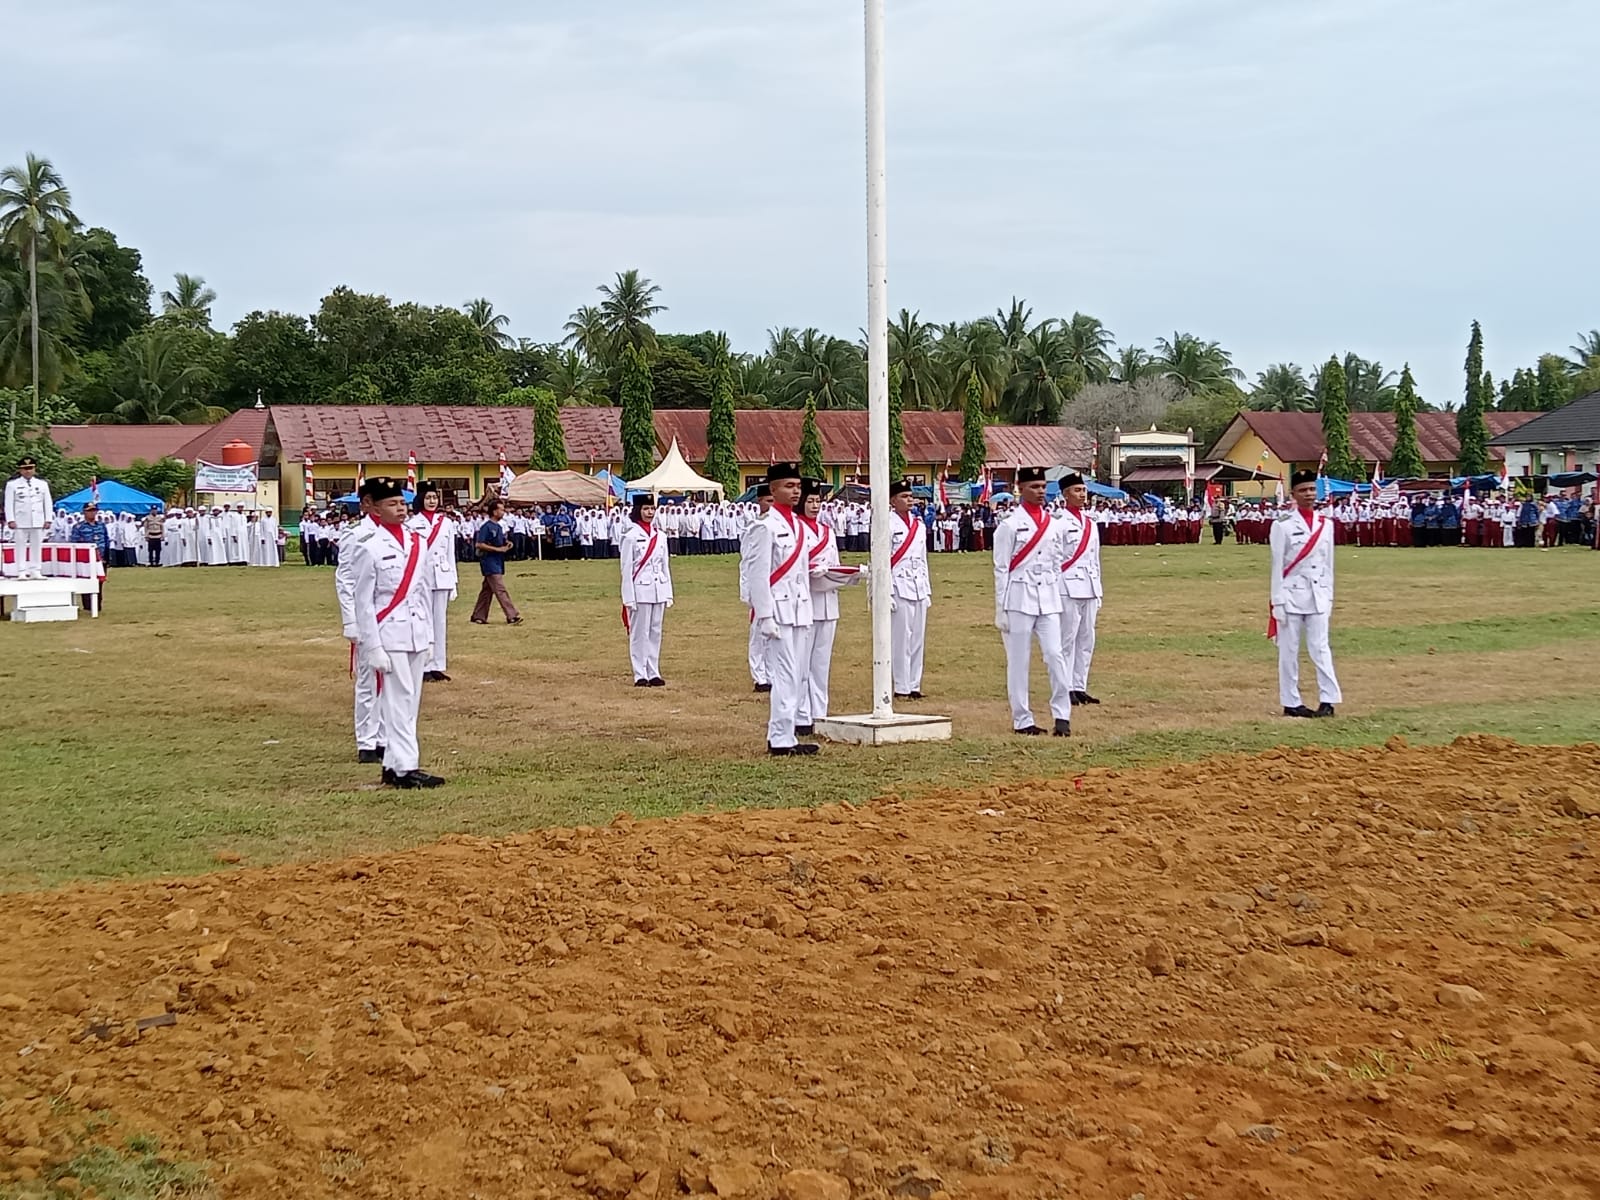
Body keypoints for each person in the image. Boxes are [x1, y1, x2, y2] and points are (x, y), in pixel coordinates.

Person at [346, 476, 443, 789]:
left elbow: (422, 592)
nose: (400, 509)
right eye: (392, 504)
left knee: (410, 700)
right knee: (399, 700)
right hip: (389, 632)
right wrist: (371, 645)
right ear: (375, 508)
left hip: (415, 629)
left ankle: (393, 764)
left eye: (402, 503)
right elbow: (363, 601)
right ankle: (404, 766)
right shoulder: (369, 548)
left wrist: (428, 636)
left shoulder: (418, 542)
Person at [993, 467, 1072, 737]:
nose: (1041, 491)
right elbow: (1001, 568)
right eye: (1035, 486)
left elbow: (1058, 561)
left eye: (1043, 486)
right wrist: (1000, 608)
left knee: (1055, 655)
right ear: (1021, 488)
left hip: (1048, 597)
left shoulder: (1055, 523)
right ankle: (1022, 719)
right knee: (1018, 660)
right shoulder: (1010, 524)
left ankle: (1062, 715)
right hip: (1019, 598)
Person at [744, 463, 817, 756]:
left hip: (800, 609)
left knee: (799, 674)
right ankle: (780, 738)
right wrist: (764, 615)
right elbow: (758, 574)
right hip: (779, 611)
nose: (796, 491)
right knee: (785, 675)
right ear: (773, 490)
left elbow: (802, 572)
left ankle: (787, 733)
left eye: (798, 486)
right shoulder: (765, 527)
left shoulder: (798, 526)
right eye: (789, 486)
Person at [1270, 469, 1341, 718]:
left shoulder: (1326, 525)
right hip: (1291, 596)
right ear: (1293, 494)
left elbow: (1328, 565)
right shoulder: (1283, 526)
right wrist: (1276, 601)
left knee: (1320, 648)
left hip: (1318, 595)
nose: (1309, 494)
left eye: (1312, 489)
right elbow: (1277, 567)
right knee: (1288, 651)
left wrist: (1329, 596)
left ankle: (1328, 699)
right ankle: (1291, 702)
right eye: (1303, 490)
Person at [796, 478, 859, 734]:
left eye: (817, 501)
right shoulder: (796, 528)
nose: (814, 506)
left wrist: (849, 574)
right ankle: (801, 715)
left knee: (821, 663)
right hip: (805, 601)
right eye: (809, 501)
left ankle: (819, 713)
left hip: (828, 601)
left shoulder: (827, 531)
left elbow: (834, 563)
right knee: (802, 662)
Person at [335, 486, 389, 764]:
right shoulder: (356, 535)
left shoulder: (397, 534)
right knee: (369, 681)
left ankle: (383, 737)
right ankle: (367, 741)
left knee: (391, 682)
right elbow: (345, 580)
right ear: (367, 504)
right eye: (385, 502)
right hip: (367, 617)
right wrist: (351, 621)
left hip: (393, 617)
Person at [1056, 473, 1104, 707]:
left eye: (1083, 490)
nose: (1082, 494)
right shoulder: (1059, 523)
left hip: (1089, 585)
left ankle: (1079, 685)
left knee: (1087, 639)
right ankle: (1064, 688)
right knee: (1067, 639)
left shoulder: (1091, 523)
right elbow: (1054, 560)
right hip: (1067, 586)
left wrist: (1099, 590)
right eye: (1076, 490)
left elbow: (1095, 559)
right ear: (1065, 495)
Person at [406, 481, 460, 682]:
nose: (432, 501)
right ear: (420, 499)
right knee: (424, 622)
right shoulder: (412, 524)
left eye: (434, 497)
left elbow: (450, 554)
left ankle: (438, 664)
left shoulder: (446, 523)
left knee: (440, 622)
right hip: (422, 578)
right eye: (428, 497)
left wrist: (453, 581)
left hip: (442, 576)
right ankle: (424, 665)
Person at [620, 493, 673, 687]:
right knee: (639, 633)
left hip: (658, 589)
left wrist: (668, 592)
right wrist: (628, 598)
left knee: (655, 632)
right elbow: (626, 569)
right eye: (645, 509)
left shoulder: (661, 536)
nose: (650, 512)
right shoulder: (631, 536)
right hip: (639, 590)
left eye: (652, 509)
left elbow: (665, 566)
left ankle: (653, 671)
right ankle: (639, 673)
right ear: (637, 511)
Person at [887, 478, 932, 699]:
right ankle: (901, 685)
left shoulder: (919, 525)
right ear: (893, 500)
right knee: (901, 637)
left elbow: (923, 560)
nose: (910, 500)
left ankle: (914, 684)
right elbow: (882, 560)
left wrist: (928, 590)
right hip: (899, 585)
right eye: (904, 496)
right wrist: (886, 592)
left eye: (910, 496)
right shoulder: (887, 524)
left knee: (917, 638)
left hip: (918, 586)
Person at [739, 484, 775, 693]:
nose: (771, 506)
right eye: (768, 501)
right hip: (759, 585)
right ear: (759, 501)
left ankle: (771, 673)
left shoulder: (780, 525)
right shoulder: (754, 527)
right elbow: (747, 560)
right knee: (758, 632)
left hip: (777, 585)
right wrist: (747, 590)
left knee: (775, 633)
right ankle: (759, 676)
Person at [470, 499, 522, 625]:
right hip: (489, 562)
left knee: (487, 591)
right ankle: (512, 615)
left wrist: (507, 544)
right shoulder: (486, 527)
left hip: (498, 561)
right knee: (500, 589)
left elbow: (500, 542)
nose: (503, 512)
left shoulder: (498, 527)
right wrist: (498, 549)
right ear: (494, 511)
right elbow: (479, 544)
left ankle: (479, 615)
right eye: (501, 510)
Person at [4, 456, 53, 579]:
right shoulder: (12, 485)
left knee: (37, 545)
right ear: (20, 470)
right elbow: (8, 503)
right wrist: (10, 519)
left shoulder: (42, 484)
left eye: (30, 468)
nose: (28, 471)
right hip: (20, 520)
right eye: (25, 469)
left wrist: (48, 519)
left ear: (34, 469)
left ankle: (36, 570)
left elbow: (47, 502)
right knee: (20, 545)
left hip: (37, 519)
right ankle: (21, 570)